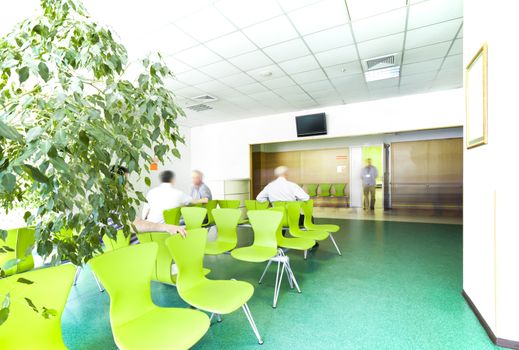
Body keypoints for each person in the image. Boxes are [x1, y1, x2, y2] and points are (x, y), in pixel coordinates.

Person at [107, 166, 187, 245]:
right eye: (126, 181)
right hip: (128, 245)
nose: (128, 184)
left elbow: (142, 215)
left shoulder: (104, 201)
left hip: (115, 244)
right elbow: (134, 225)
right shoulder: (116, 203)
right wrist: (166, 227)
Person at [142, 170, 208, 224]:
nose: (192, 179)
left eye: (194, 177)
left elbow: (145, 212)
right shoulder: (179, 193)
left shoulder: (151, 192)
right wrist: (205, 200)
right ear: (173, 180)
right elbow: (194, 201)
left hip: (150, 227)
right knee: (186, 220)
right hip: (169, 229)